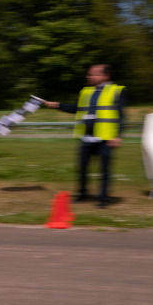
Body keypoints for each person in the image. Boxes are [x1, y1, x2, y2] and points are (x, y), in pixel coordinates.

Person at [43, 64, 126, 208]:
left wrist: (117, 136)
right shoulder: (86, 91)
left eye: (93, 74)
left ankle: (103, 199)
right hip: (87, 138)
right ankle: (83, 194)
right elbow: (77, 109)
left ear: (106, 76)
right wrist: (57, 105)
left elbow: (122, 115)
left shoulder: (117, 91)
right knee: (82, 168)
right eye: (89, 74)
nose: (89, 77)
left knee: (104, 171)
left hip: (106, 138)